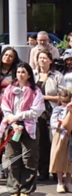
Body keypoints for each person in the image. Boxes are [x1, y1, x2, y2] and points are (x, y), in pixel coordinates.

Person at [0, 62, 45, 196]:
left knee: (29, 158)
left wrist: (18, 117)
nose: (20, 74)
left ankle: (26, 189)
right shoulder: (9, 89)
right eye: (18, 72)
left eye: (23, 72)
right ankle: (14, 188)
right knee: (12, 157)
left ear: (29, 74)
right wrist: (13, 123)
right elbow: (5, 107)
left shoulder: (35, 90)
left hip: (29, 126)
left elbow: (37, 110)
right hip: (12, 127)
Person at [35, 52, 62, 186]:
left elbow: (63, 97)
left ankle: (57, 173)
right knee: (41, 143)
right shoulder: (33, 75)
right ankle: (43, 171)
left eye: (45, 58)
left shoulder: (57, 76)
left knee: (54, 143)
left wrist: (45, 98)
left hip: (53, 113)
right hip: (36, 113)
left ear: (50, 61)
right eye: (40, 58)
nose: (42, 60)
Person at [49, 58, 72, 192]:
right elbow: (54, 123)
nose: (65, 104)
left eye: (67, 101)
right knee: (58, 158)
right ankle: (59, 182)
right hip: (59, 135)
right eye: (63, 101)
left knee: (69, 160)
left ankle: (68, 182)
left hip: (70, 136)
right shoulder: (57, 110)